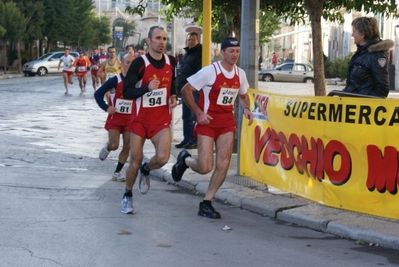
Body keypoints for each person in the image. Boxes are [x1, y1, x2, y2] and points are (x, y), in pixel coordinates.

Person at [171, 37, 254, 219]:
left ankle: (207, 202)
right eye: (231, 51)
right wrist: (199, 113)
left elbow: (243, 95)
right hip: (207, 123)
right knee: (204, 166)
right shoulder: (210, 71)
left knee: (223, 164)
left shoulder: (240, 74)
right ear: (222, 52)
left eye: (238, 51)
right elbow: (186, 90)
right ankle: (185, 160)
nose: (235, 55)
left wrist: (246, 108)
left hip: (226, 124)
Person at [121, 26, 178, 214]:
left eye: (164, 38)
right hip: (139, 120)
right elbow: (126, 91)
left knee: (162, 158)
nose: (162, 42)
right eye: (158, 38)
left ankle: (147, 169)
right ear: (149, 41)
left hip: (161, 119)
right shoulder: (140, 63)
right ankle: (127, 196)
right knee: (134, 161)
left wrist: (173, 95)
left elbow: (173, 81)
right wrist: (146, 88)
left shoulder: (171, 61)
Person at [94, 54, 135, 182]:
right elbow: (98, 93)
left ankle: (117, 172)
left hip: (130, 119)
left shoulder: (137, 81)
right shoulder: (115, 80)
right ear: (121, 64)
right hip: (115, 118)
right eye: (127, 62)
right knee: (114, 145)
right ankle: (108, 147)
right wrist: (106, 108)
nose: (129, 65)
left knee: (127, 146)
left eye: (132, 63)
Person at [342, 16, 394, 98]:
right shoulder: (361, 53)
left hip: (361, 107)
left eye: (354, 31)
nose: (352, 34)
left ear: (362, 35)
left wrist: (363, 104)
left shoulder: (376, 55)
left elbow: (381, 90)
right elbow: (354, 85)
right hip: (352, 105)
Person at [175, 32, 202, 149]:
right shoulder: (187, 53)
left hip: (193, 90)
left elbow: (198, 71)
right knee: (185, 116)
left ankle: (192, 139)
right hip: (184, 89)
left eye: (193, 40)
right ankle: (186, 138)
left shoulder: (200, 52)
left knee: (192, 116)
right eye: (189, 40)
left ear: (198, 40)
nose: (190, 42)